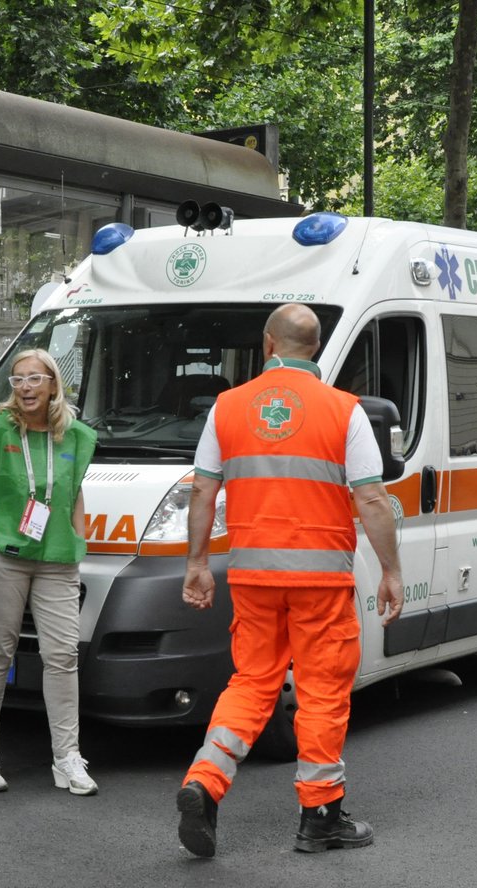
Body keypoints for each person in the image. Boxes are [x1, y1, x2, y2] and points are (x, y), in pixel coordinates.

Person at [175, 303, 403, 858]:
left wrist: (197, 564)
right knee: (322, 691)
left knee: (253, 682)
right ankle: (320, 815)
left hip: (253, 577)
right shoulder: (346, 412)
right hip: (320, 581)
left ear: (267, 345)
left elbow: (203, 491)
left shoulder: (227, 408)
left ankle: (204, 780)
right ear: (316, 350)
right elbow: (371, 498)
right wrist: (392, 570)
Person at [0, 347, 99, 796]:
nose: (26, 387)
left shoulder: (75, 436)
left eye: (35, 379)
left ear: (54, 384)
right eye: (18, 380)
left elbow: (72, 492)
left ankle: (67, 758)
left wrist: (77, 538)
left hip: (57, 559)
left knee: (63, 656)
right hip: (4, 554)